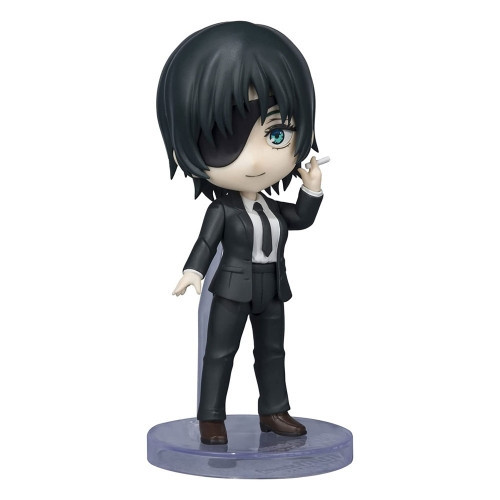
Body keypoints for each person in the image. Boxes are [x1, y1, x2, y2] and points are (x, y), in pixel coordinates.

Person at [157, 21, 324, 445]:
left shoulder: (273, 207)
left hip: (272, 287)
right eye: (224, 138)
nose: (256, 161)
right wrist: (193, 271)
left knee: (272, 352)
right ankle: (212, 416)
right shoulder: (223, 210)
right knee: (220, 353)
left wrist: (311, 188)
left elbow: (300, 218)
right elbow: (205, 242)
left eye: (276, 134)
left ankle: (275, 411)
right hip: (231, 290)